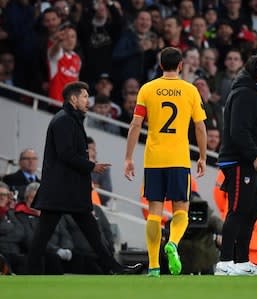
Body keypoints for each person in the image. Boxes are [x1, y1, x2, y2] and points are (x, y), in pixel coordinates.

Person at [27, 81, 142, 275]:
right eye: (84, 96)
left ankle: (114, 268)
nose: (87, 100)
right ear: (73, 99)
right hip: (61, 190)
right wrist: (92, 166)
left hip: (69, 190)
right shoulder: (64, 120)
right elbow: (66, 153)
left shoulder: (70, 119)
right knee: (44, 235)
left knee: (92, 233)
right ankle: (29, 271)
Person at [124, 47, 207, 278]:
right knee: (181, 209)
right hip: (179, 158)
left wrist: (128, 158)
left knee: (154, 212)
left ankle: (153, 266)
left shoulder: (147, 89)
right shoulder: (190, 90)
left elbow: (135, 124)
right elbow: (200, 126)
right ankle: (172, 243)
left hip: (154, 159)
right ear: (181, 65)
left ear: (160, 66)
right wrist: (202, 156)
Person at [214, 55, 257, 276]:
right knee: (238, 210)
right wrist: (256, 155)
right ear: (256, 71)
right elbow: (238, 130)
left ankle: (241, 261)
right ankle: (225, 262)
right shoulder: (244, 93)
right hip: (242, 163)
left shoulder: (253, 92)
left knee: (250, 212)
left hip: (253, 165)